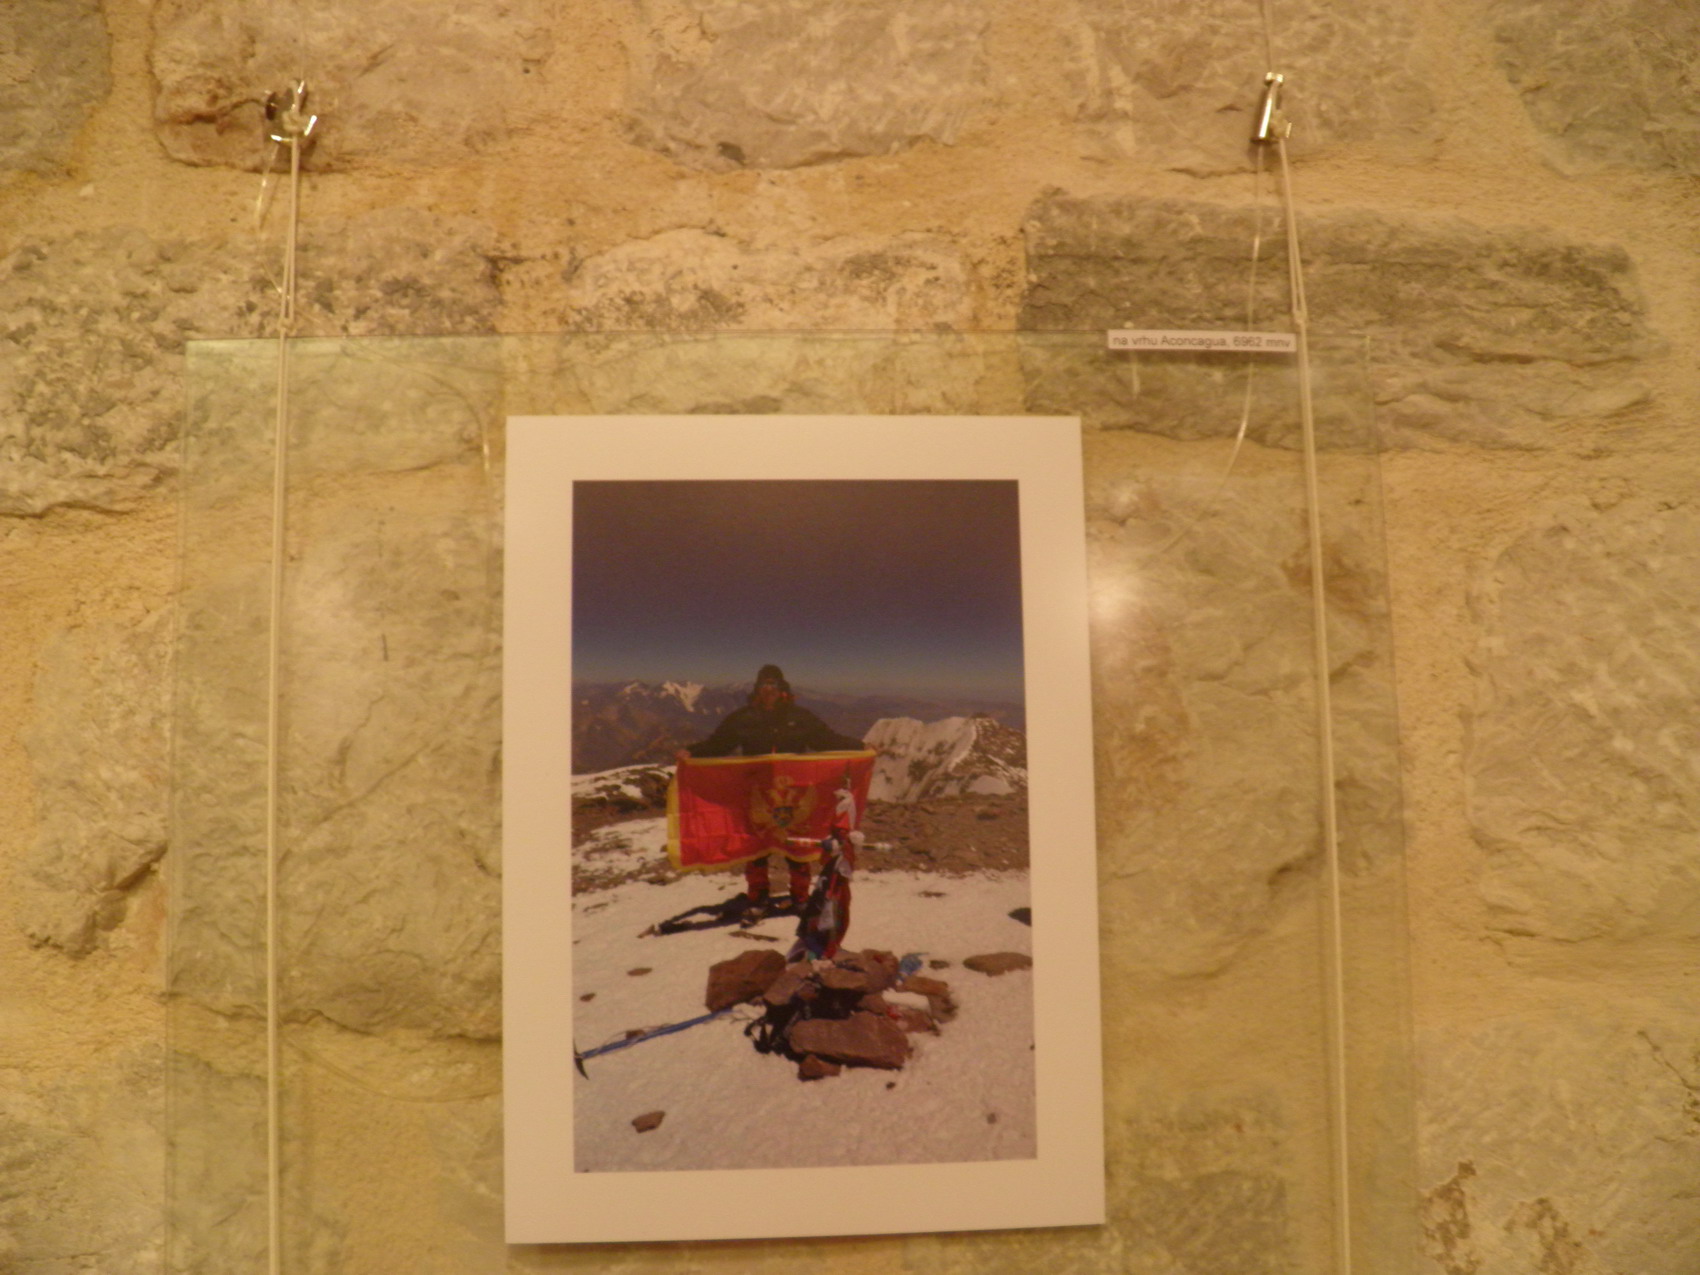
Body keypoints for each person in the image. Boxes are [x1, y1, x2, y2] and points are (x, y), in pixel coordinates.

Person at [675, 663, 866, 917]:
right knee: (755, 847)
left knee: (797, 846)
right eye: (763, 684)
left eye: (773, 684)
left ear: (782, 688)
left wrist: (860, 746)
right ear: (757, 688)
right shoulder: (743, 719)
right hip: (756, 793)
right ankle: (757, 899)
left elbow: (826, 740)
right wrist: (693, 752)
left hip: (794, 795)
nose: (768, 689)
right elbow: (719, 744)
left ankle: (800, 897)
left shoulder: (801, 717)